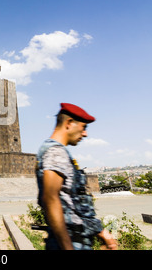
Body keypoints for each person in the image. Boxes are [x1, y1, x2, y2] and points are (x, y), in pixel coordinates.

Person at [36, 103, 117, 250]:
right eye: (83, 127)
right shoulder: (55, 153)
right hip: (70, 242)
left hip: (77, 240)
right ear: (69, 123)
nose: (85, 134)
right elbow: (50, 199)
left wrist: (100, 231)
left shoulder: (59, 152)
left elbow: (73, 204)